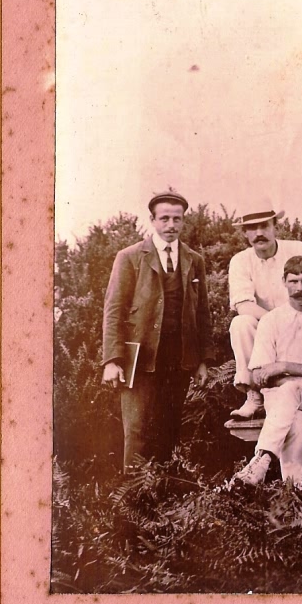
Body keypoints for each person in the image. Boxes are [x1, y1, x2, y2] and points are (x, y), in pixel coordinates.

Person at [101, 190, 213, 470]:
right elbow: (114, 309)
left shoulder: (193, 260)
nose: (171, 225)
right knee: (136, 428)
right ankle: (133, 501)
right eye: (164, 218)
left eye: (177, 219)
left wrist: (202, 360)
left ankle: (165, 496)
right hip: (138, 357)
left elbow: (203, 313)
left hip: (178, 358)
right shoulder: (129, 258)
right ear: (152, 220)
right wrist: (112, 360)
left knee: (170, 426)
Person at [232, 256, 302, 488]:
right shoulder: (271, 320)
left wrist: (282, 367)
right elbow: (257, 376)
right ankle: (295, 491)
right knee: (295, 421)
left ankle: (261, 459)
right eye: (293, 281)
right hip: (280, 401)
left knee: (290, 390)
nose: (300, 288)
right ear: (284, 282)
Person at [227, 199, 302, 419]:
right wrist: (278, 323)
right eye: (252, 228)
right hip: (266, 333)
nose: (259, 233)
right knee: (241, 323)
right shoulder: (240, 261)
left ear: (276, 227)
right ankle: (254, 396)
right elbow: (243, 305)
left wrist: (297, 320)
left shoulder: (297, 249)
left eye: (265, 225)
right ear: (245, 233)